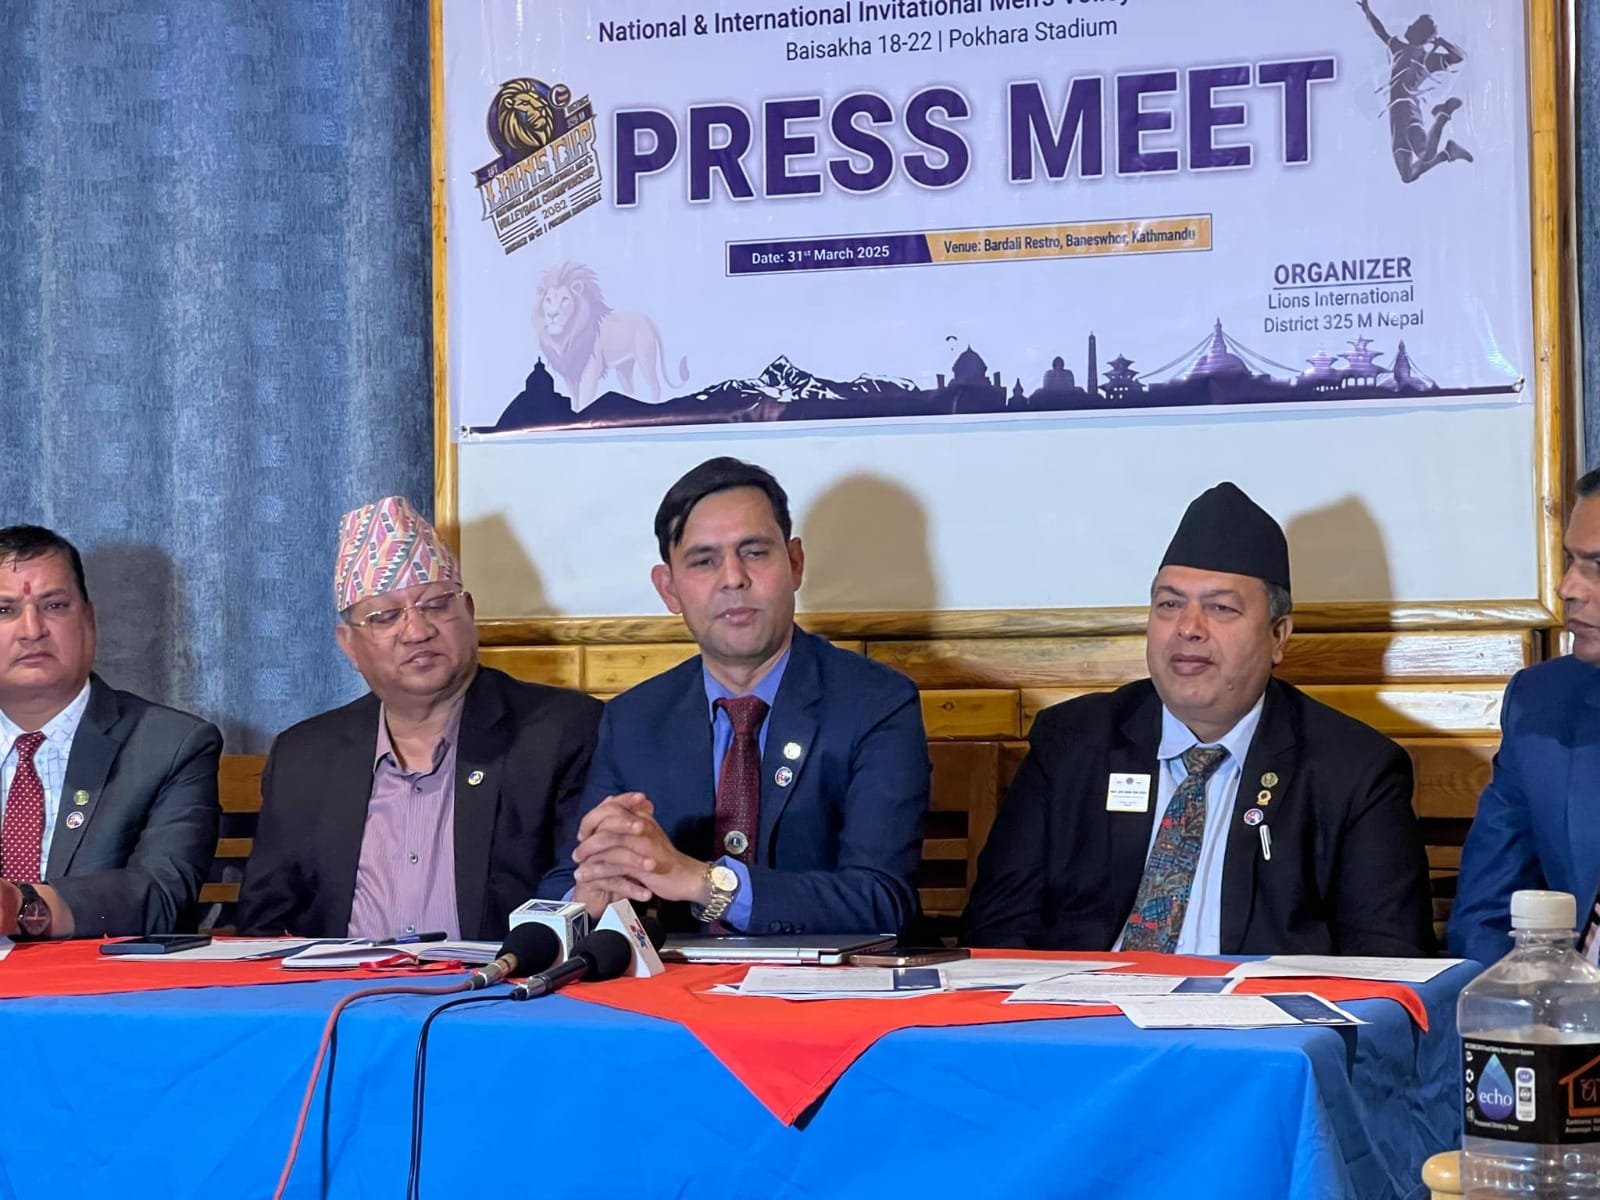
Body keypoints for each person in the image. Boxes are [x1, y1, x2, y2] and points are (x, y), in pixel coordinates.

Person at [963, 482, 1434, 955]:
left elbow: (1388, 961)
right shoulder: (1073, 743)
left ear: (1277, 636)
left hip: (1260, 1003)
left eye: (1220, 608)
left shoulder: (1354, 771)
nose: (1188, 628)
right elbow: (996, 931)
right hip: (1080, 997)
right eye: (1169, 604)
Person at [542, 458, 930, 935]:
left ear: (795, 563)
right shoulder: (634, 720)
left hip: (827, 977)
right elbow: (567, 878)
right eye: (704, 561)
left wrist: (703, 882)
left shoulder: (875, 703)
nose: (733, 578)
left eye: (755, 552)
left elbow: (882, 900)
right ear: (669, 589)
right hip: (677, 979)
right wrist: (587, 899)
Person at [237, 497, 601, 942]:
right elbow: (263, 924)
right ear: (349, 645)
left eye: (436, 605)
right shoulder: (305, 755)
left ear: (469, 613)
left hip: (497, 982)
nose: (417, 631)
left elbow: (579, 891)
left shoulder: (558, 732)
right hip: (338, 984)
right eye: (385, 617)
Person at [0, 525, 221, 939]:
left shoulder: (170, 746)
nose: (32, 630)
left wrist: (23, 907)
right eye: (4, 611)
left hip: (92, 976)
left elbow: (162, 897)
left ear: (89, 620)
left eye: (54, 606)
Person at [1450, 469, 1600, 965]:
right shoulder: (1541, 705)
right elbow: (1487, 917)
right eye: (1571, 561)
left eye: (1598, 566)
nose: (1567, 587)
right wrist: (1515, 1006)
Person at [1357, 0, 1473, 183]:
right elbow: (1380, 31)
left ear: (1419, 32)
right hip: (1395, 114)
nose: (1409, 26)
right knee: (1407, 175)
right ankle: (1448, 153)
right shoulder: (1398, 48)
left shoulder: (1427, 59)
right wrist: (1367, 11)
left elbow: (1459, 57)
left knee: (1426, 154)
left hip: (1408, 109)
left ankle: (1442, 114)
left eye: (1413, 25)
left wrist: (1440, 41)